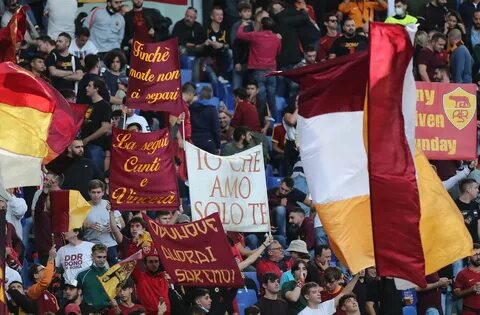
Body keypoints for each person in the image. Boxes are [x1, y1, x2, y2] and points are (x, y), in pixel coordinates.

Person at [236, 16, 281, 120]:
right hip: (272, 71)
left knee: (261, 98)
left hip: (258, 70)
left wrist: (242, 25)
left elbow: (239, 35)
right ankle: (274, 122)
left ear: (261, 25)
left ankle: (260, 120)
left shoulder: (255, 35)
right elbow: (278, 52)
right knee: (272, 97)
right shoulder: (277, 38)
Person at [83, 180, 123, 265]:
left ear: (103, 192)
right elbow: (76, 228)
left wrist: (114, 227)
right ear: (89, 193)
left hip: (109, 244)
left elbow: (122, 223)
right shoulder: (83, 207)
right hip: (91, 245)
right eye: (93, 192)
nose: (96, 195)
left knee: (113, 273)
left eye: (98, 192)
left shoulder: (108, 204)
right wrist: (88, 225)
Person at [268, 177, 313, 242]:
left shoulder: (295, 192)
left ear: (291, 189)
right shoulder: (270, 193)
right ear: (280, 185)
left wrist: (311, 219)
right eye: (282, 189)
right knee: (281, 209)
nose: (283, 192)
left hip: (290, 223)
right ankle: (283, 237)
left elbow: (311, 204)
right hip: (274, 222)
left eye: (286, 191)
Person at [81, 79, 112, 172]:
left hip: (96, 146)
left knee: (96, 173)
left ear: (96, 89)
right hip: (85, 145)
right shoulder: (90, 105)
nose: (86, 88)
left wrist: (88, 139)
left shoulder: (104, 105)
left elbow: (105, 128)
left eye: (89, 86)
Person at [76, 243, 111, 312]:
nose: (102, 260)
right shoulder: (82, 275)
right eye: (99, 257)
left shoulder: (110, 274)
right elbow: (76, 296)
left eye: (104, 257)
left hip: (108, 311)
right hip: (89, 312)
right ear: (92, 256)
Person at [27, 246, 59, 314]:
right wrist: (51, 258)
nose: (46, 270)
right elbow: (46, 281)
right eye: (43, 269)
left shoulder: (51, 295)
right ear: (36, 275)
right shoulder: (32, 290)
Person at [190, 86, 221, 154]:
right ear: (211, 96)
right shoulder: (212, 110)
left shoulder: (191, 108)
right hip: (208, 142)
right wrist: (218, 146)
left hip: (193, 142)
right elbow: (216, 130)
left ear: (199, 95)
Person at [454, 243, 480, 313]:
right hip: (469, 311)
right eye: (475, 255)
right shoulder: (462, 274)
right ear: (469, 257)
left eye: (479, 254)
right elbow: (456, 295)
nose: (478, 257)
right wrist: (471, 289)